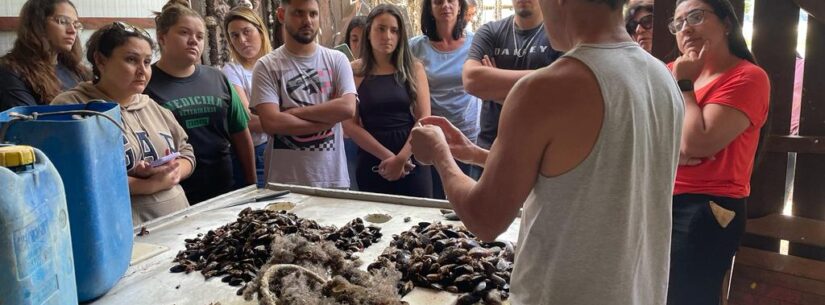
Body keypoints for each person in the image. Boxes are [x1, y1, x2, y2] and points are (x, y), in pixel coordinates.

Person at [410, 0, 684, 303]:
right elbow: (592, 173)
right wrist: (475, 154)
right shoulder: (662, 77)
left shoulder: (544, 89)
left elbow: (485, 219)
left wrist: (440, 154)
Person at [666, 0, 770, 304]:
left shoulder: (747, 76)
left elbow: (698, 143)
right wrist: (675, 153)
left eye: (696, 17)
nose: (686, 28)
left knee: (687, 297)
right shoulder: (667, 71)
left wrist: (685, 86)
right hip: (658, 200)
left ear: (727, 23)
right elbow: (642, 134)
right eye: (679, 22)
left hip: (708, 209)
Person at [51, 22, 195, 225]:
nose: (142, 70)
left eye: (146, 62)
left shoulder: (153, 106)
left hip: (179, 223)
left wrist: (171, 172)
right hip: (121, 232)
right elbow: (73, 176)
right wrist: (148, 185)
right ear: (100, 60)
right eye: (131, 60)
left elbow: (186, 152)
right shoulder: (71, 107)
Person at [145, 0, 255, 204]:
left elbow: (240, 133)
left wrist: (251, 183)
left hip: (224, 188)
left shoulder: (217, 78)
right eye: (184, 33)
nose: (194, 41)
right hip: (173, 195)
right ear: (162, 37)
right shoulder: (145, 84)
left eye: (200, 36)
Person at [251, 0, 357, 188]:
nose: (307, 20)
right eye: (299, 13)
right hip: (284, 183)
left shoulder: (337, 60)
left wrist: (292, 113)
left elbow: (347, 108)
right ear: (282, 15)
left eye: (313, 14)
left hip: (332, 179)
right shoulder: (266, 66)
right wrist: (327, 118)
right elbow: (271, 122)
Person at [344, 4, 432, 197]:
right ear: (368, 32)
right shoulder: (354, 71)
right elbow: (350, 125)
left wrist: (401, 158)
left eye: (394, 30)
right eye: (381, 29)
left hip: (412, 154)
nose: (388, 36)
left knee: (420, 221)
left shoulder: (414, 68)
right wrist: (389, 157)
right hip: (372, 157)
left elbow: (424, 117)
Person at [462, 0, 562, 153]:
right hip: (489, 147)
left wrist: (494, 85)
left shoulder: (560, 34)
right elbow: (471, 80)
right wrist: (546, 76)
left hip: (541, 150)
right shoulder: (490, 31)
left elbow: (562, 87)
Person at [410, 0, 480, 199]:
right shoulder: (415, 47)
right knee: (437, 203)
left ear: (460, 7)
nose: (446, 5)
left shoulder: (476, 43)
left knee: (467, 201)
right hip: (432, 136)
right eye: (438, 2)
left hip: (468, 136)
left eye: (451, 1)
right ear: (430, 10)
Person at [0, 0, 89, 111]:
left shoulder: (76, 70)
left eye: (76, 25)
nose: (72, 31)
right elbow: (28, 125)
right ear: (38, 24)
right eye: (63, 21)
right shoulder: (11, 71)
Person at [222, 6, 273, 188]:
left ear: (260, 31)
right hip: (257, 151)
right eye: (234, 35)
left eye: (246, 31)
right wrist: (289, 122)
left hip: (290, 149)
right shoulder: (232, 71)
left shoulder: (279, 63)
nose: (242, 40)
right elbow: (247, 120)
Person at [343, 15, 368, 190]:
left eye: (364, 39)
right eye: (354, 39)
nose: (359, 45)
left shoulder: (382, 68)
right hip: (348, 139)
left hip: (373, 137)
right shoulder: (343, 67)